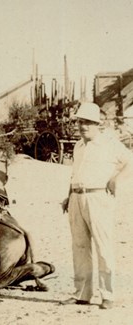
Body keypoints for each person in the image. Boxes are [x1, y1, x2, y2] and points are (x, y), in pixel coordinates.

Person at [60, 102, 133, 310]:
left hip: (98, 198)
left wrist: (116, 179)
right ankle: (82, 294)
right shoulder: (78, 146)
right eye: (81, 122)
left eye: (89, 123)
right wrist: (68, 196)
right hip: (77, 198)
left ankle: (107, 295)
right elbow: (75, 173)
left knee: (103, 246)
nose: (84, 126)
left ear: (98, 125)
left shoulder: (110, 144)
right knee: (80, 247)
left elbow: (131, 161)